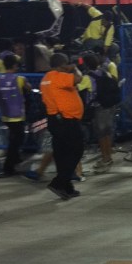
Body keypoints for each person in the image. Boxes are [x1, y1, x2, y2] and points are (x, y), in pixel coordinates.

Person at [40, 52, 84, 200]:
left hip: (55, 119)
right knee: (76, 150)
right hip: (66, 120)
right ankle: (59, 183)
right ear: (62, 65)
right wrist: (75, 68)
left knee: (62, 154)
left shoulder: (46, 78)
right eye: (66, 63)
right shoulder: (58, 76)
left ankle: (66, 187)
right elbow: (78, 78)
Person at [0, 54, 28, 176]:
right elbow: (28, 88)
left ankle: (16, 159)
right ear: (14, 65)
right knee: (16, 140)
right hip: (18, 115)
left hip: (5, 114)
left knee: (13, 138)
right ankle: (8, 167)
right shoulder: (20, 79)